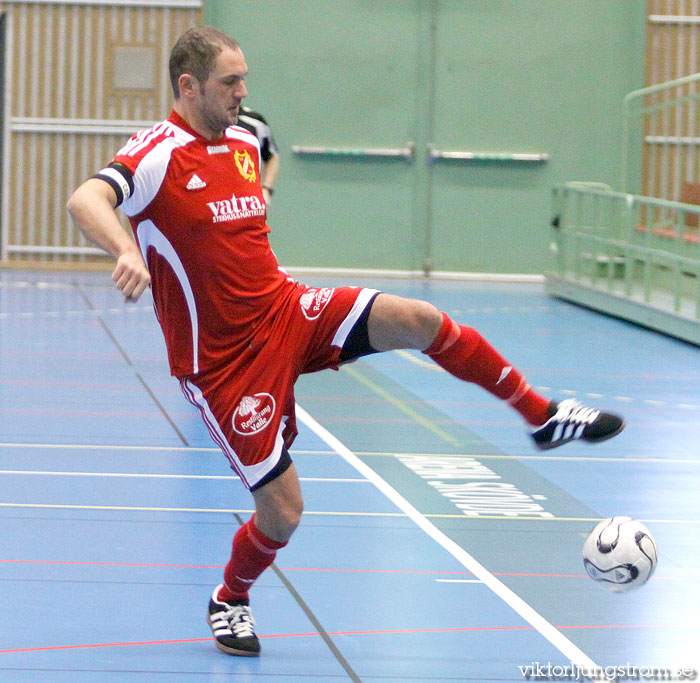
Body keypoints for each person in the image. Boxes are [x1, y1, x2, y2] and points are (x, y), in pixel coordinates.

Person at [67, 26, 625, 658]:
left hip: (286, 308)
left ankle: (542, 417)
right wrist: (124, 249)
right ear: (188, 86)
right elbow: (86, 197)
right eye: (230, 82)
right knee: (284, 512)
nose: (243, 92)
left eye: (245, 78)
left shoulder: (246, 136)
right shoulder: (158, 152)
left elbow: (256, 171)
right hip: (223, 364)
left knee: (418, 319)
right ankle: (230, 597)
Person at [236, 105, 279, 204]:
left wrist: (266, 189)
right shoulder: (201, 121)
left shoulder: (255, 122)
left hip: (247, 202)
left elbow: (271, 156)